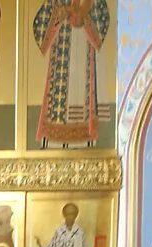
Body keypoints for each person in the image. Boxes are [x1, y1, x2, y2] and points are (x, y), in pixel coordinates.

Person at [31, 0, 110, 147]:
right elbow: (40, 21)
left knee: (82, 92)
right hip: (62, 50)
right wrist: (59, 15)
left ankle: (84, 140)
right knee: (58, 95)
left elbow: (102, 17)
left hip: (84, 46)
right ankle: (55, 141)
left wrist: (84, 16)